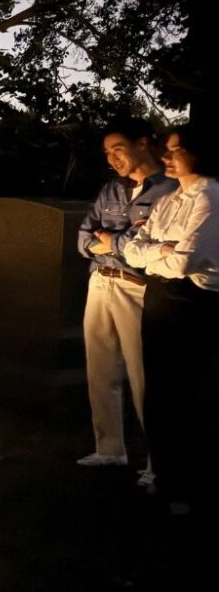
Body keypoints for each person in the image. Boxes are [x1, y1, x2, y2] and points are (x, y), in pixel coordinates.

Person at [76, 118, 176, 489]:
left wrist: (113, 242)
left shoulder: (170, 191)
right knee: (100, 369)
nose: (112, 158)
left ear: (143, 144)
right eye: (107, 153)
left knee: (143, 376)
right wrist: (117, 242)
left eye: (118, 148)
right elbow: (84, 239)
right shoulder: (111, 190)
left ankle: (158, 462)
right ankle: (110, 448)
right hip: (100, 283)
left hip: (137, 288)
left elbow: (148, 249)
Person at [124, 123, 219, 516]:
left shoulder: (212, 196)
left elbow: (185, 261)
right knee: (158, 392)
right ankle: (165, 478)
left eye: (175, 150)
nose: (166, 157)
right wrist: (155, 249)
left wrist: (156, 249)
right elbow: (131, 250)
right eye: (167, 150)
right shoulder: (169, 199)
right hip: (159, 297)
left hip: (193, 301)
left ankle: (189, 487)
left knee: (187, 394)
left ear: (198, 151)